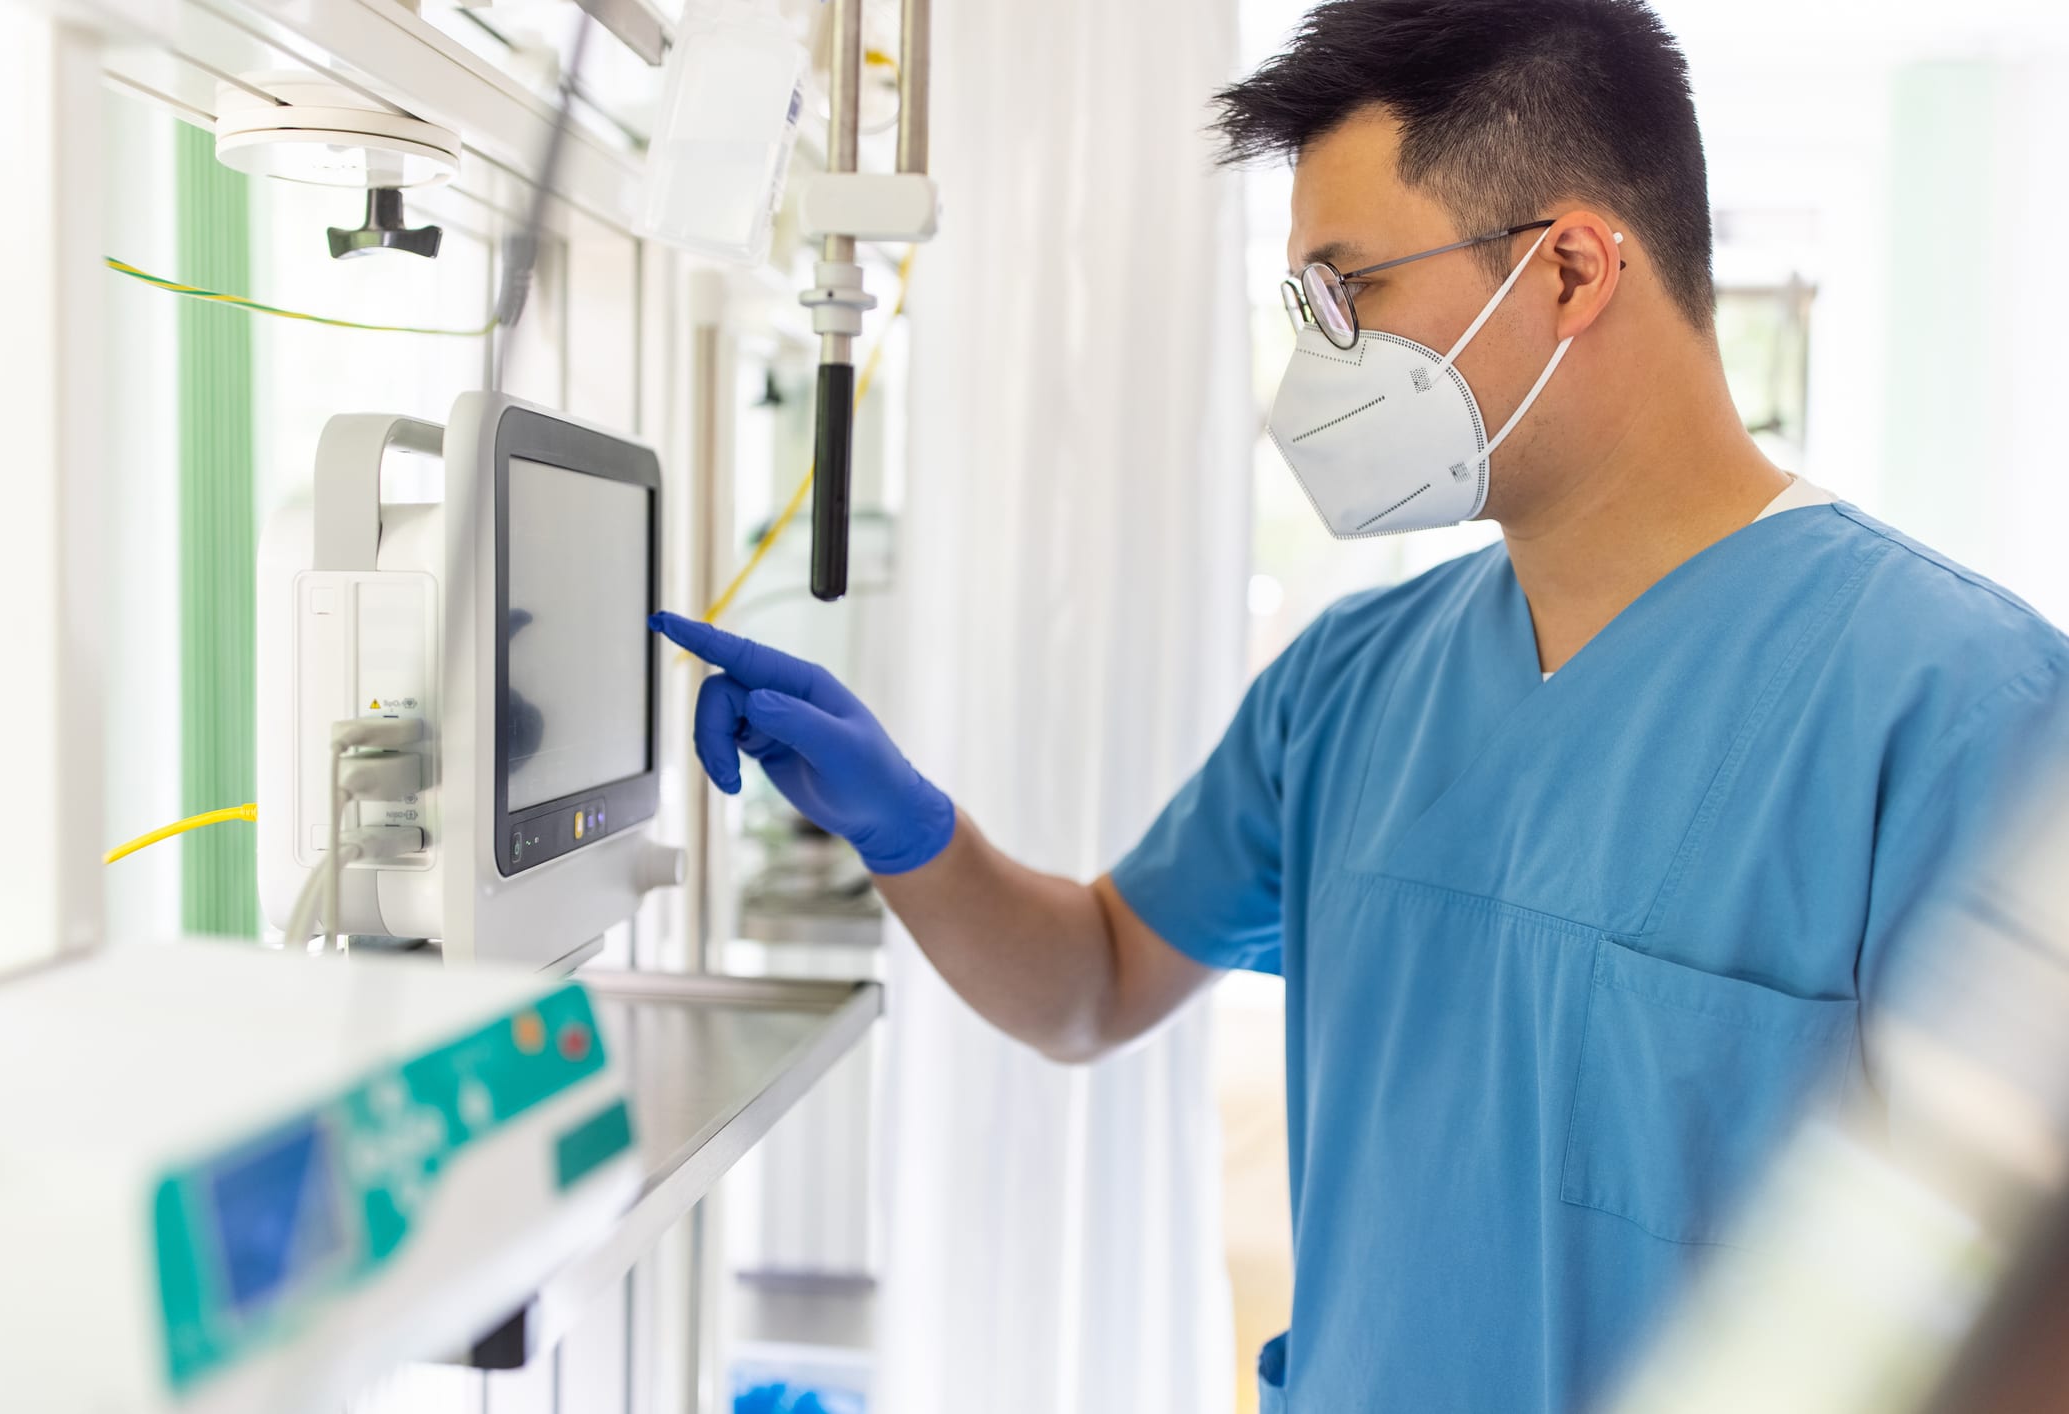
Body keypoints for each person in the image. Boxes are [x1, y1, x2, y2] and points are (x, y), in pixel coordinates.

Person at [656, 0, 2069, 1407]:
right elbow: (1092, 980)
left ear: (1569, 269)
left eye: (1350, 291)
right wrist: (907, 828)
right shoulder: (1349, 688)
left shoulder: (1956, 712)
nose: (1318, 363)